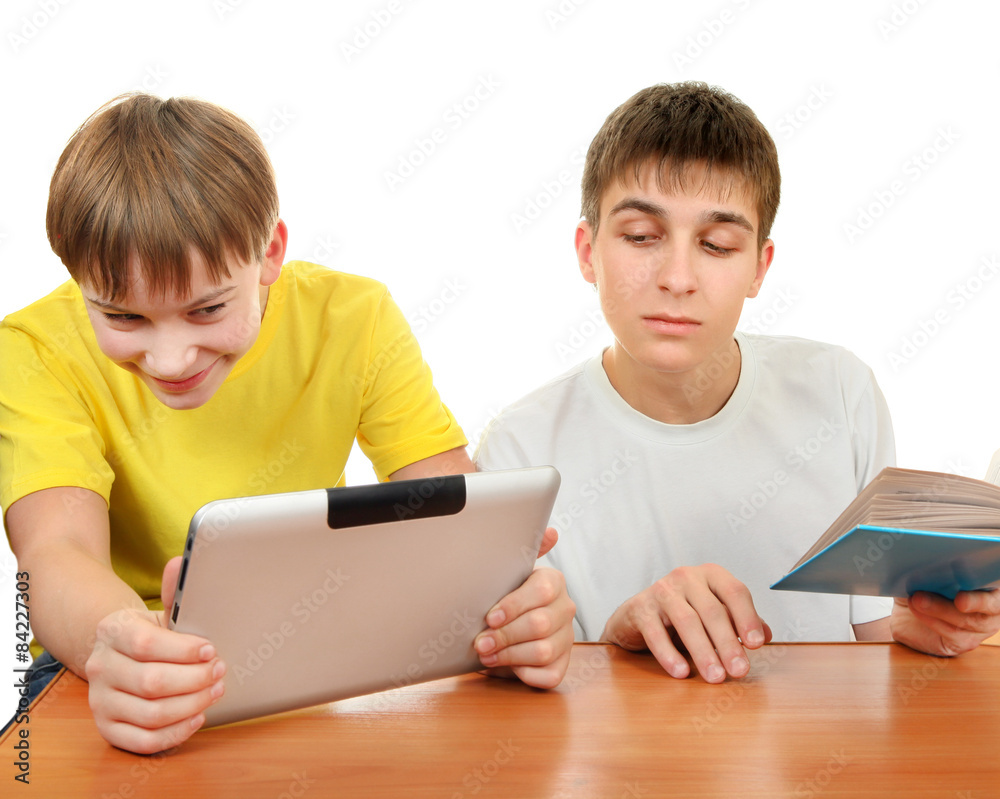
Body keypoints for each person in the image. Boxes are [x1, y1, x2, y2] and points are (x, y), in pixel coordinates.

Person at [0, 93, 574, 754]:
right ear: (77, 280)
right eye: (123, 318)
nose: (170, 357)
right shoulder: (34, 347)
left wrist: (512, 610)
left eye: (208, 309)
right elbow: (55, 554)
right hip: (101, 658)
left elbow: (449, 514)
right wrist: (127, 643)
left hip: (307, 654)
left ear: (269, 252)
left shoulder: (352, 316)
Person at [475, 81, 1000, 685]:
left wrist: (928, 629)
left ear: (759, 267)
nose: (677, 277)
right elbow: (524, 687)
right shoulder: (520, 450)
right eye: (642, 237)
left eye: (717, 245)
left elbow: (875, 645)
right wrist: (616, 640)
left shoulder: (840, 392)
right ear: (588, 251)